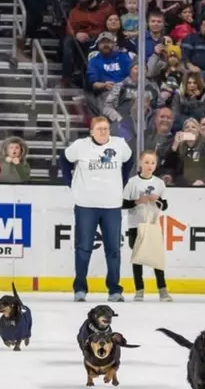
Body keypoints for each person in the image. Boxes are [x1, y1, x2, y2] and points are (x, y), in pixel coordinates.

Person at [64, 116, 132, 302]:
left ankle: (114, 289)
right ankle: (80, 288)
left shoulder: (119, 144)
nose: (103, 132)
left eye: (106, 128)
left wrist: (121, 183)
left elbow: (128, 162)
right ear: (91, 131)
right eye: (100, 129)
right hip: (86, 204)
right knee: (83, 247)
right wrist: (71, 184)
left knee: (113, 249)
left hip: (111, 205)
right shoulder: (80, 146)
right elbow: (64, 161)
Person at [122, 150, 171, 302]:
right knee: (138, 258)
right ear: (141, 163)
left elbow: (165, 206)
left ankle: (162, 289)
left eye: (152, 163)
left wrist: (158, 200)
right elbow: (123, 203)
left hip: (153, 224)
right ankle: (139, 289)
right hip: (135, 225)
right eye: (146, 162)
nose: (149, 165)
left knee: (156, 257)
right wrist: (138, 201)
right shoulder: (132, 182)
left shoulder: (159, 183)